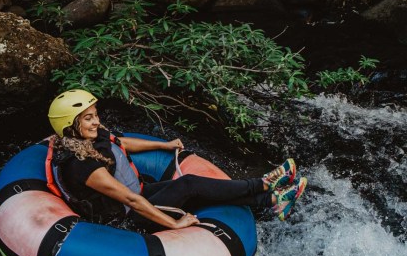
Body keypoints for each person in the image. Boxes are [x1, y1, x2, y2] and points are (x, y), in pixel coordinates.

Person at [47, 89, 307, 230]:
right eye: (88, 118)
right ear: (70, 126)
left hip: (138, 192)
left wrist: (164, 143)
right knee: (188, 185)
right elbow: (129, 200)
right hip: (124, 218)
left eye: (95, 115)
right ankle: (263, 184)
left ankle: (273, 200)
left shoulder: (92, 139)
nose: (97, 121)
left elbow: (120, 143)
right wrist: (175, 224)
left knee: (193, 190)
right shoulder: (82, 165)